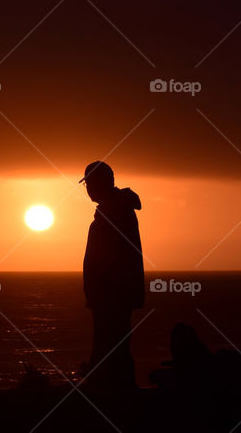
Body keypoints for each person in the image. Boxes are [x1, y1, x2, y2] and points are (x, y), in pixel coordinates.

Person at [80, 160, 144, 390]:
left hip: (111, 296)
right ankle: (110, 385)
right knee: (112, 343)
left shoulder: (115, 211)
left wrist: (100, 291)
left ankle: (113, 390)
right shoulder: (114, 208)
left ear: (100, 183)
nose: (87, 188)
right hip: (109, 295)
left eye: (89, 183)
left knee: (111, 343)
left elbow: (112, 257)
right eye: (86, 184)